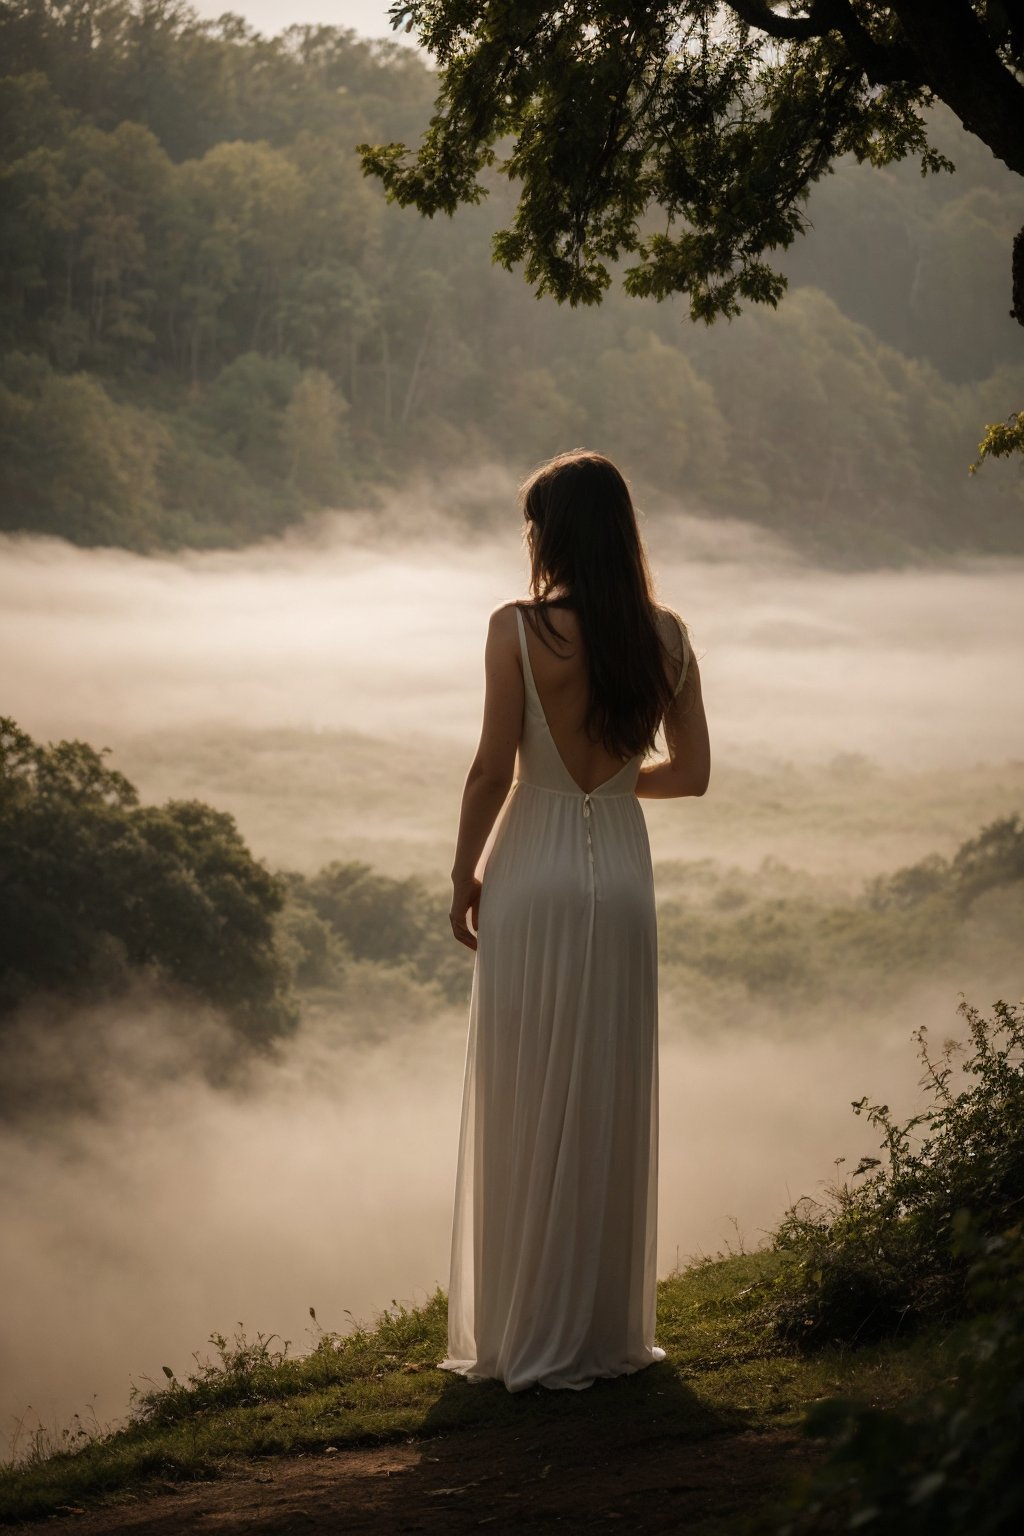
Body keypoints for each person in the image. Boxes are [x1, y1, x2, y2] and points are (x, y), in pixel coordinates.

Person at [439, 449, 711, 1392]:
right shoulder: (667, 636)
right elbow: (694, 773)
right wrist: (605, 782)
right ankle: (600, 1329)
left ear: (549, 533)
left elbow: (488, 769)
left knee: (526, 1087)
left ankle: (527, 1328)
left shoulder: (518, 630)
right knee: (604, 1083)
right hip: (623, 872)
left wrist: (463, 876)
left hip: (535, 863)